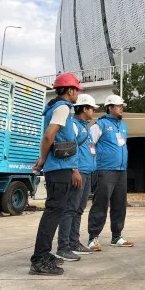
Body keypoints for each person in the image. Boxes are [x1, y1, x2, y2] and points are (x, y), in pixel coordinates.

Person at [30, 73, 83, 276]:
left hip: (60, 168)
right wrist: (43, 159)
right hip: (59, 169)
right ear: (70, 90)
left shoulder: (58, 107)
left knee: (55, 211)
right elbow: (49, 136)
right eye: (76, 90)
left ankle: (43, 255)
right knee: (53, 212)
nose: (77, 94)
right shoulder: (62, 107)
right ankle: (40, 258)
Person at [55, 94, 99, 260]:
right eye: (92, 108)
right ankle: (63, 247)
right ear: (84, 108)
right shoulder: (73, 125)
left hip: (87, 172)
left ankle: (74, 243)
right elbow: (69, 149)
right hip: (78, 173)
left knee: (79, 209)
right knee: (70, 209)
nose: (93, 111)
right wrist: (75, 170)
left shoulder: (85, 126)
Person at [87, 94, 134, 250]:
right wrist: (94, 164)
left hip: (121, 171)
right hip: (105, 170)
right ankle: (93, 238)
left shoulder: (124, 126)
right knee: (100, 204)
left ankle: (117, 236)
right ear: (110, 108)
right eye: (118, 106)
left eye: (122, 106)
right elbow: (89, 145)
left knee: (120, 205)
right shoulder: (99, 125)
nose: (121, 108)